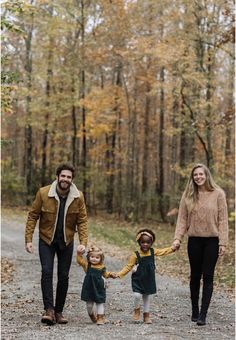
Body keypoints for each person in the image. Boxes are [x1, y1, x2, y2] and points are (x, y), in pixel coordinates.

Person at [25, 163, 88, 325]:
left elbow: (82, 221)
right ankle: (49, 310)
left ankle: (59, 311)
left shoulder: (78, 196)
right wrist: (28, 239)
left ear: (71, 180)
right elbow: (33, 216)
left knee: (64, 276)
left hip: (66, 241)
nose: (65, 179)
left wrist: (83, 242)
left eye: (68, 177)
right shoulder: (44, 193)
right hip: (47, 240)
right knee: (46, 271)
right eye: (63, 176)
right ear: (57, 177)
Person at [172, 163, 228, 326]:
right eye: (195, 175)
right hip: (194, 240)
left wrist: (223, 242)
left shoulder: (218, 194)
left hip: (212, 240)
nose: (198, 177)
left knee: (208, 276)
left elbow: (223, 220)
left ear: (207, 175)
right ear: (192, 177)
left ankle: (203, 315)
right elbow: (182, 218)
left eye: (201, 174)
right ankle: (195, 310)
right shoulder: (188, 194)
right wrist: (178, 238)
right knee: (195, 276)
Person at [114, 228, 177, 324]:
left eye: (148, 242)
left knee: (147, 297)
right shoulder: (135, 255)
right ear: (139, 242)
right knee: (137, 295)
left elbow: (163, 251)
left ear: (151, 243)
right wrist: (119, 274)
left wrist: (172, 248)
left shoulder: (152, 251)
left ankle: (146, 315)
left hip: (149, 279)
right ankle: (137, 309)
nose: (145, 244)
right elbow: (128, 266)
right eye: (143, 242)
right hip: (138, 279)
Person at [77, 246, 116, 325]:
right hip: (89, 287)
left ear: (101, 259)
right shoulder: (87, 265)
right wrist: (79, 254)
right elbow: (80, 261)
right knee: (89, 305)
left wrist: (111, 274)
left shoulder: (102, 267)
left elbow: (105, 274)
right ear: (89, 257)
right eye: (92, 257)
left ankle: (100, 318)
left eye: (97, 257)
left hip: (99, 287)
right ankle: (91, 315)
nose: (94, 259)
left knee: (100, 302)